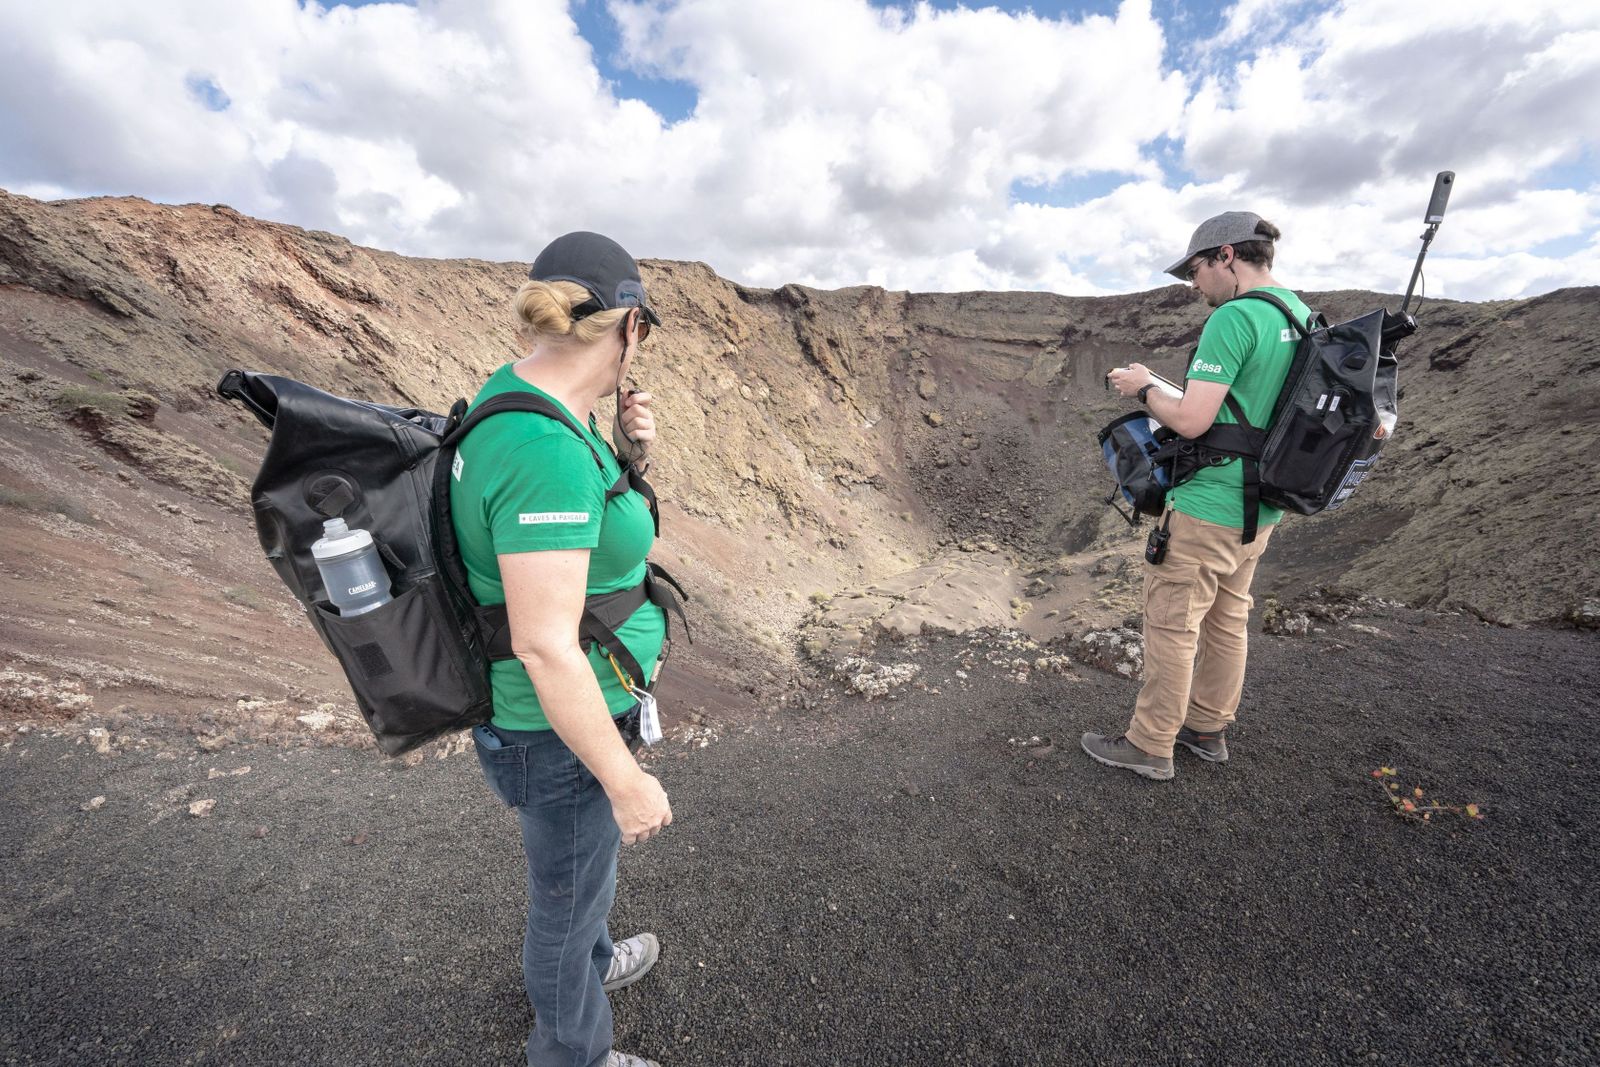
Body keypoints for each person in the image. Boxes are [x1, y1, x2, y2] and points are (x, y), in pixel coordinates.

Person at [451, 231, 673, 1067]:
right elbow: (545, 645)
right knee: (566, 899)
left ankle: (584, 965)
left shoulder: (530, 402)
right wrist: (626, 779)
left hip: (553, 720)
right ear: (630, 331)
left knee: (580, 885)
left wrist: (629, 447)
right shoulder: (544, 451)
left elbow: (589, 524)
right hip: (555, 731)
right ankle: (572, 1050)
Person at [1082, 212, 1308, 781]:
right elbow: (1249, 410)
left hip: (1209, 506)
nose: (1192, 284)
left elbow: (1191, 420)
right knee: (1229, 620)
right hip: (1261, 505)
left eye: (1196, 269)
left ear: (1226, 256)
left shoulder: (1236, 319)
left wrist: (1144, 389)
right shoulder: (1302, 316)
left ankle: (1150, 744)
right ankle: (1208, 730)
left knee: (1172, 626)